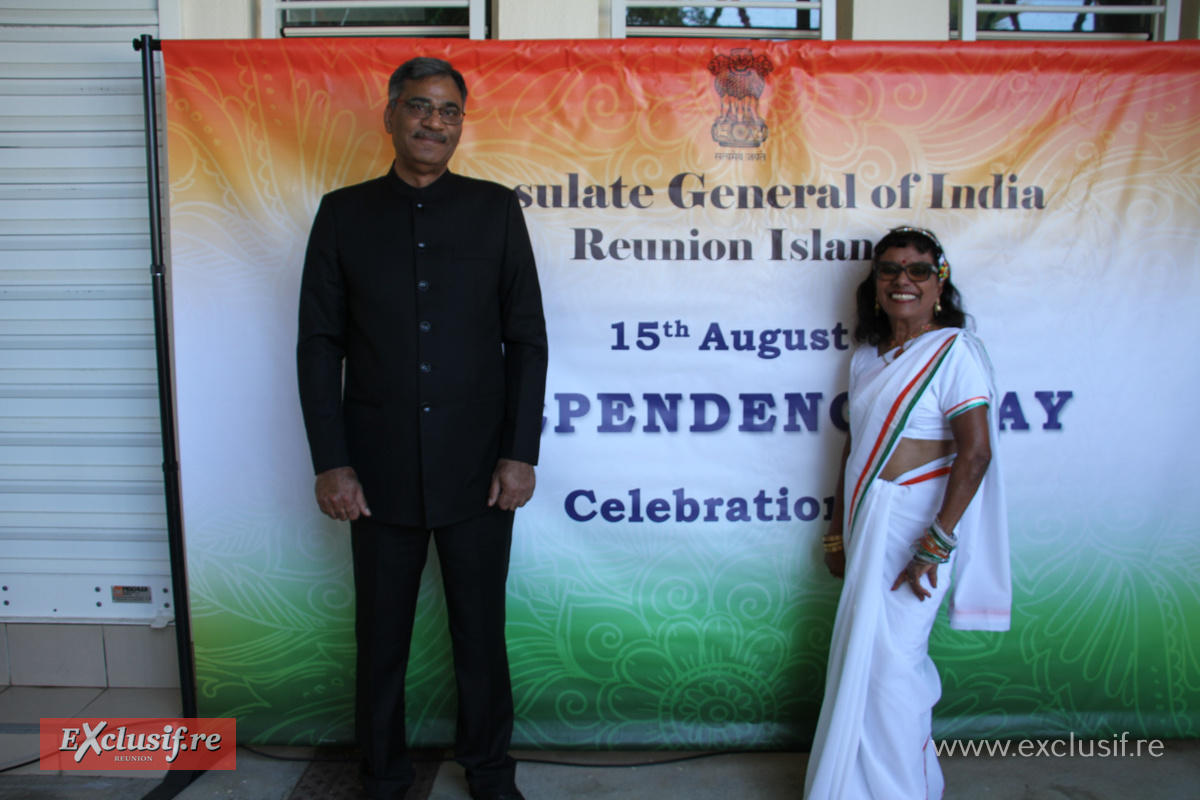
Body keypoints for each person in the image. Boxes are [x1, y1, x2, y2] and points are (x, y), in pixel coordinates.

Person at [297, 57, 547, 800]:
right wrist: (331, 461)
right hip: (375, 473)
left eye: (448, 111)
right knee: (380, 642)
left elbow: (527, 340)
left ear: (460, 124)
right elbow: (319, 345)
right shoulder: (342, 214)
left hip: (480, 470)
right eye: (418, 106)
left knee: (481, 635)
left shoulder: (495, 210)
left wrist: (519, 453)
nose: (433, 122)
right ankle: (382, 775)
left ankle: (490, 771)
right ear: (390, 115)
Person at [803, 227, 1009, 799]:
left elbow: (976, 453)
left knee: (895, 668)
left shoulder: (954, 352)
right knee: (864, 663)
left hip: (918, 530)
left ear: (939, 284)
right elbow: (854, 449)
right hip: (869, 523)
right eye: (890, 270)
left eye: (918, 270)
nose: (903, 281)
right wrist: (836, 534)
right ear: (875, 284)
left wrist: (935, 545)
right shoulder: (867, 359)